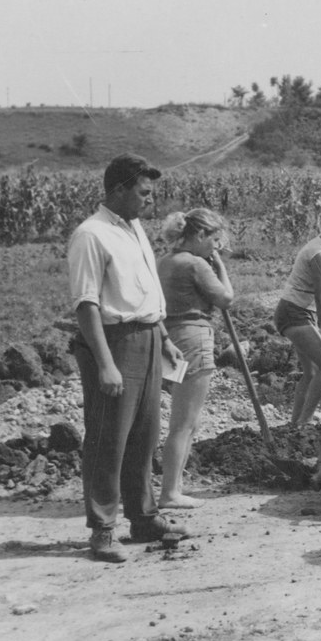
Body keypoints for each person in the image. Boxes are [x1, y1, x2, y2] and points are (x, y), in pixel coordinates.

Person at [68, 153, 189, 563]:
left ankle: (143, 518)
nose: (150, 201)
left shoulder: (134, 228)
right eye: (143, 193)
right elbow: (86, 304)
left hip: (150, 337)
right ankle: (103, 531)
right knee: (108, 439)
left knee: (144, 435)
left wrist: (165, 336)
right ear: (118, 190)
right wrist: (105, 363)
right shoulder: (91, 235)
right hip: (114, 341)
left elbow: (146, 289)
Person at [157, 208, 235, 509]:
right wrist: (219, 267)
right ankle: (170, 493)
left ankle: (173, 487)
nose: (217, 247)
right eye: (214, 240)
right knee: (185, 423)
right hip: (194, 339)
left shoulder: (163, 261)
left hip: (169, 338)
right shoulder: (195, 264)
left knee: (183, 421)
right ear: (199, 235)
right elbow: (226, 298)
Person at [274, 199, 321, 428]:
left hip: (302, 312)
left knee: (311, 372)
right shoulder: (319, 254)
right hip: (292, 312)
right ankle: (304, 423)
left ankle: (294, 424)